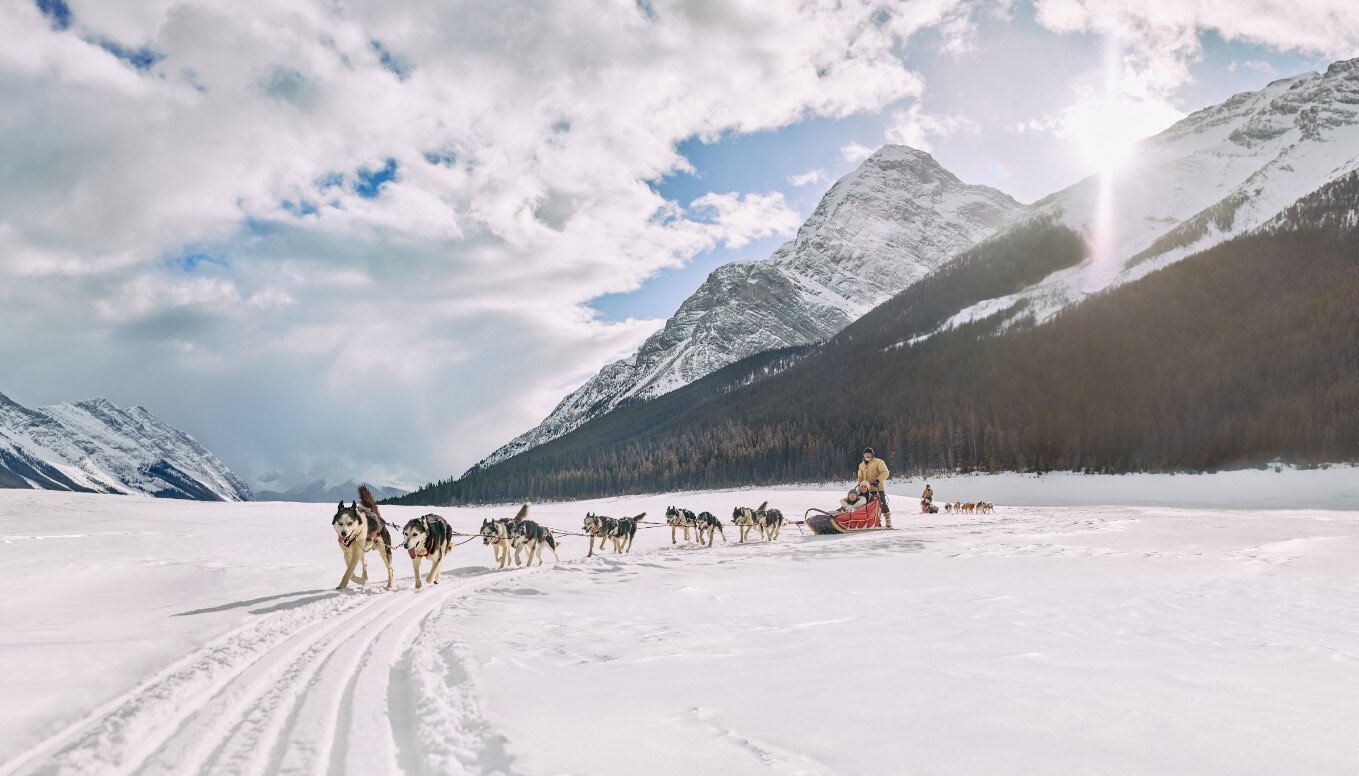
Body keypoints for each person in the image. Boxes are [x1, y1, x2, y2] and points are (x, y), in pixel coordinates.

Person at [857, 447, 891, 528]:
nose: (867, 456)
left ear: (872, 455)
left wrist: (878, 481)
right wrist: (859, 485)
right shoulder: (861, 465)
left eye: (869, 454)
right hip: (865, 490)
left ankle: (888, 521)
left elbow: (885, 472)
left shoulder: (878, 462)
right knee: (866, 506)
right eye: (866, 455)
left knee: (882, 504)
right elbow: (860, 477)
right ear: (864, 455)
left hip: (877, 488)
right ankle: (873, 522)